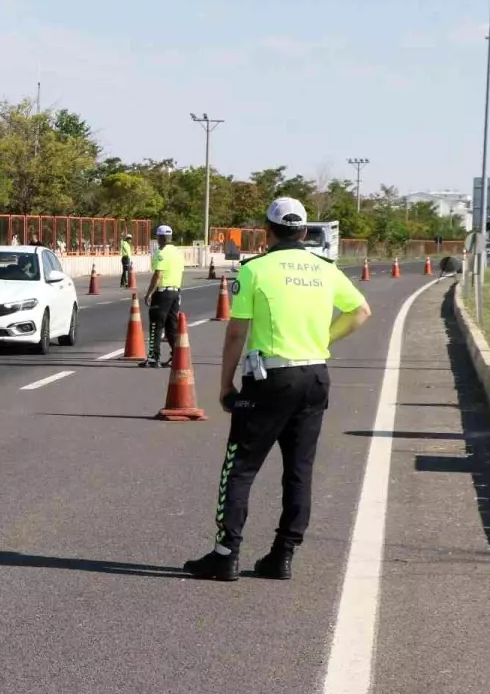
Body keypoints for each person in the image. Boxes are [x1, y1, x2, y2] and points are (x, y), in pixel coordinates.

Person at [183, 198, 372, 582]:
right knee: (299, 470)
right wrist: (324, 340)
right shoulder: (325, 270)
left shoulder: (256, 269)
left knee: (240, 468)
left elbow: (237, 330)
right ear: (303, 231)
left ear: (266, 231)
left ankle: (226, 554)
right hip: (314, 376)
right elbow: (361, 311)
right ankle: (282, 555)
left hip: (270, 379)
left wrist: (225, 384)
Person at [138, 224, 183, 368]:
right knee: (171, 327)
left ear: (160, 237)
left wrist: (149, 293)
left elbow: (158, 274)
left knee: (155, 325)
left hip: (163, 292)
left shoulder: (161, 252)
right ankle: (178, 356)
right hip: (175, 292)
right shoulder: (177, 252)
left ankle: (153, 358)